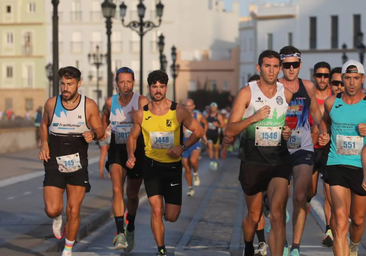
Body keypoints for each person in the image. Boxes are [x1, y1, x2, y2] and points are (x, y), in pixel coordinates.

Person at [126, 70, 204, 256]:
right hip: (151, 166)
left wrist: (182, 147)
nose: (158, 90)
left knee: (172, 216)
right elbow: (132, 138)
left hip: (172, 168)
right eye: (154, 87)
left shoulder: (179, 111)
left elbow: (198, 131)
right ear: (149, 88)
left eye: (161, 87)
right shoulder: (141, 115)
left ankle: (160, 219)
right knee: (155, 207)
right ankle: (161, 250)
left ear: (166, 88)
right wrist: (131, 155)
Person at [225, 50, 292, 256]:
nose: (271, 71)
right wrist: (253, 118)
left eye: (275, 66)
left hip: (278, 161)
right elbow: (230, 130)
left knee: (278, 215)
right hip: (252, 162)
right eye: (267, 66)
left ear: (279, 69)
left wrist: (289, 132)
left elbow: (291, 126)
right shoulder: (247, 93)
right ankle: (248, 246)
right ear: (258, 68)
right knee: (254, 217)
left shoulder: (286, 93)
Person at [38, 66, 104, 256]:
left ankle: (68, 249)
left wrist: (93, 133)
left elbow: (100, 129)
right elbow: (44, 124)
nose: (65, 88)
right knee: (52, 209)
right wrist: (44, 144)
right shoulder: (51, 103)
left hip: (77, 162)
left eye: (70, 84)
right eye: (63, 84)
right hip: (54, 160)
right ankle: (57, 217)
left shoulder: (88, 105)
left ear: (78, 84)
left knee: (74, 210)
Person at [278, 46, 324, 256]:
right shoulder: (274, 87)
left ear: (300, 65)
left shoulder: (308, 87)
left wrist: (323, 132)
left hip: (303, 148)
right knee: (279, 199)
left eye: (294, 65)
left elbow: (317, 115)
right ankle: (281, 238)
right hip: (278, 150)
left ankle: (295, 246)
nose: (290, 69)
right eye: (286, 65)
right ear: (281, 66)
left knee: (299, 197)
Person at [319, 60, 366, 256]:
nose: (352, 83)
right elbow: (324, 121)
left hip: (361, 168)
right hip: (336, 163)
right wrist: (324, 134)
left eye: (356, 78)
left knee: (358, 220)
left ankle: (354, 247)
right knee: (339, 221)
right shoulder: (332, 102)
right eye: (348, 78)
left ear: (362, 79)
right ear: (342, 80)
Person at [101, 67, 149, 251]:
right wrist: (98, 132)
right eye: (122, 82)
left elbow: (151, 121)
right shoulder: (109, 102)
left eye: (128, 81)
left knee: (132, 194)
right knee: (116, 189)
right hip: (116, 150)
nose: (125, 85)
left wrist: (138, 118)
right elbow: (102, 122)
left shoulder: (141, 101)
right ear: (116, 84)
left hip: (137, 150)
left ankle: (131, 225)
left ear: (134, 83)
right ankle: (120, 234)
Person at [308, 61, 334, 247]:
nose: (323, 79)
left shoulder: (334, 99)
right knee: (309, 191)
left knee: (328, 193)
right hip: (310, 149)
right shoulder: (308, 97)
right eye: (319, 75)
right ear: (314, 76)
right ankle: (306, 201)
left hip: (328, 150)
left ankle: (329, 230)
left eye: (326, 76)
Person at [183, 98, 207, 196]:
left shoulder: (199, 116)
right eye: (186, 106)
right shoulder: (180, 116)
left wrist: (204, 134)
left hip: (196, 143)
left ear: (193, 106)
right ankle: (190, 188)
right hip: (184, 144)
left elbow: (205, 123)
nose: (188, 108)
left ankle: (196, 174)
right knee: (186, 167)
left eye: (190, 106)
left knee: (193, 160)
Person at [206, 102, 224, 170]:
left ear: (216, 108)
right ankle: (211, 161)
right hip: (209, 134)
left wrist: (218, 125)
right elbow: (204, 123)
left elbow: (223, 125)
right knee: (210, 148)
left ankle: (216, 161)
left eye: (214, 108)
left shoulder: (218, 116)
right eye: (212, 107)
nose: (213, 109)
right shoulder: (207, 115)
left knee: (216, 149)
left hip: (216, 135)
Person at [98, 104, 111, 179]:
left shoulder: (102, 117)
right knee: (110, 155)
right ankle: (110, 173)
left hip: (102, 136)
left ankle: (101, 173)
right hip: (109, 135)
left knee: (102, 155)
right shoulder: (111, 116)